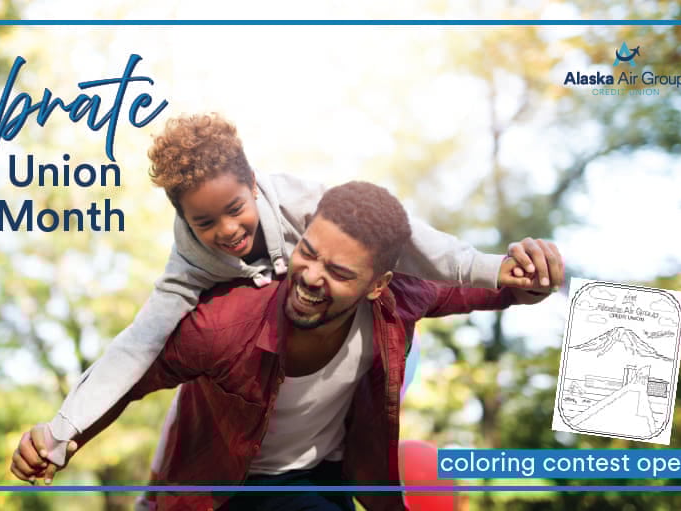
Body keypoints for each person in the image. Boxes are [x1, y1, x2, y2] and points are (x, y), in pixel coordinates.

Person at [36, 112, 557, 467]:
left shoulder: (302, 201)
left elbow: (407, 240)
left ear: (254, 185)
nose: (227, 231)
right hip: (233, 410)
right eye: (204, 222)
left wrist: (494, 272)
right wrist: (64, 430)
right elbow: (136, 348)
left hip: (319, 460)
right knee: (192, 382)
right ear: (182, 219)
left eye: (235, 208)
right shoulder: (187, 271)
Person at [11, 181, 564, 511]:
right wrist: (65, 435)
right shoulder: (223, 325)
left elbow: (496, 290)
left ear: (377, 284)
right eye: (309, 252)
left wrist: (533, 276)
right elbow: (137, 370)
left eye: (339, 272)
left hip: (320, 479)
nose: (311, 276)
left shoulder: (403, 297)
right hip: (230, 483)